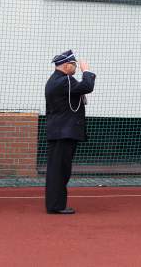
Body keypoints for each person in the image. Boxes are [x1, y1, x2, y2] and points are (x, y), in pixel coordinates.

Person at [45, 50, 95, 214]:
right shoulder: (64, 80)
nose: (75, 68)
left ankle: (55, 204)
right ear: (67, 65)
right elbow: (87, 86)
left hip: (60, 131)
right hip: (63, 132)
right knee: (60, 170)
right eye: (74, 65)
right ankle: (56, 205)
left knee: (58, 169)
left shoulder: (59, 80)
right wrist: (86, 71)